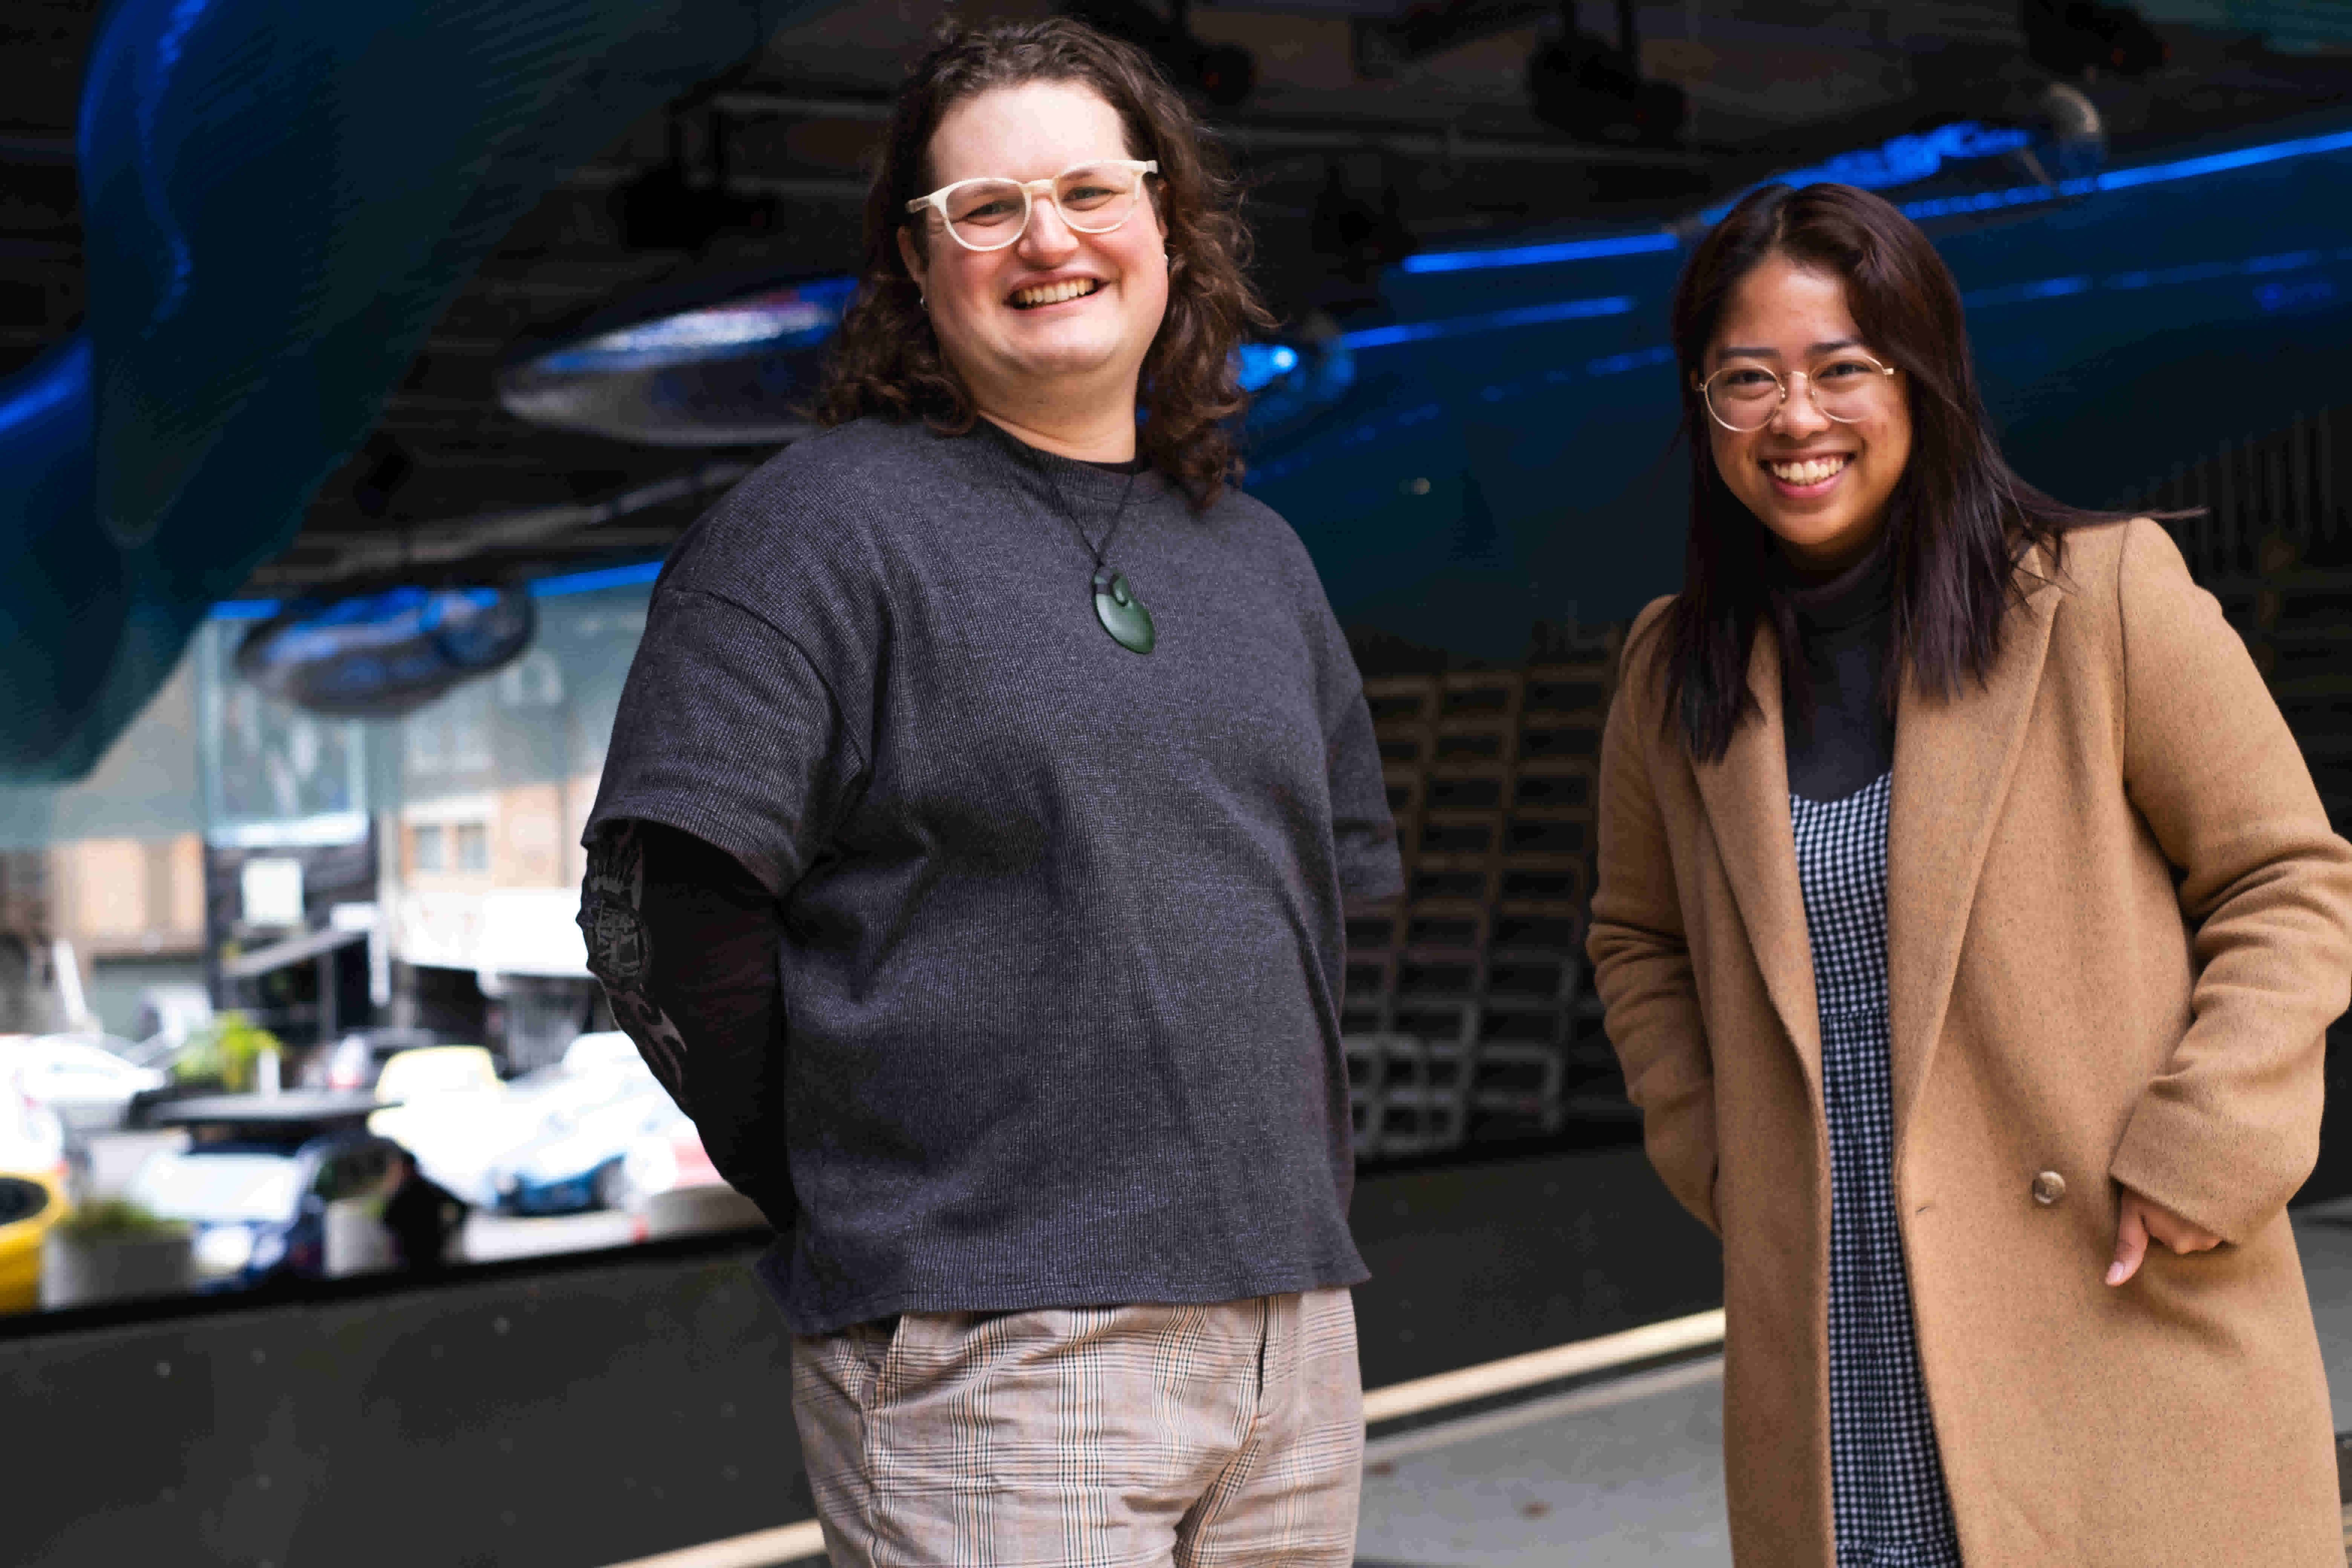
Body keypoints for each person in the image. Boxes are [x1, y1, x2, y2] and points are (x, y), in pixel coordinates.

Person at [575, 17, 1400, 1567]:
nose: (1049, 239)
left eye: (1092, 189)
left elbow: (1329, 909)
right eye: (987, 208)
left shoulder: (1260, 558)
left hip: (1292, 1334)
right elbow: (657, 915)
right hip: (992, 1348)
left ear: (1168, 221)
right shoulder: (819, 530)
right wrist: (869, 1189)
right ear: (915, 259)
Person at [1586, 180, 2352, 1566]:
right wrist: (1722, 1154)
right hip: (1835, 1341)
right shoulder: (1670, 667)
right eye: (1745, 379)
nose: (1795, 419)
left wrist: (2210, 1142)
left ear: (1923, 381)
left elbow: (2290, 880)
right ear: (1702, 407)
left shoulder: (2098, 597)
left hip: (2111, 1303)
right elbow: (1635, 938)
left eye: (1841, 368)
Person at [380, 1146, 465, 1272]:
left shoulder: (402, 1193)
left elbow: (386, 1221)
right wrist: (449, 1231)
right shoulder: (427, 1188)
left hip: (417, 1255)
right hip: (427, 1252)